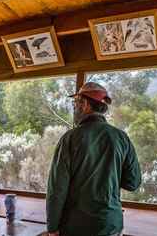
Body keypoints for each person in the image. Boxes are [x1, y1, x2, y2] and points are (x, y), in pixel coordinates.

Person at [46, 82, 142, 236]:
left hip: (76, 226)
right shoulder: (121, 138)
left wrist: (52, 228)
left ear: (85, 105)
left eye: (75, 103)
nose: (74, 108)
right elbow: (133, 183)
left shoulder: (69, 139)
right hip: (110, 225)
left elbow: (57, 189)